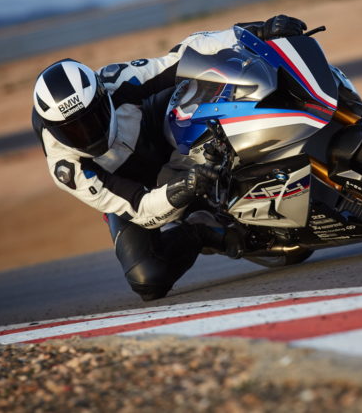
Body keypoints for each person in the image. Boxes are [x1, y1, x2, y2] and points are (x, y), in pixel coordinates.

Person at [31, 15, 307, 300]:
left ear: (103, 96)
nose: (88, 134)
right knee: (147, 278)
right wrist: (186, 187)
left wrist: (256, 31)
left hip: (158, 129)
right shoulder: (67, 167)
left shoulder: (115, 81)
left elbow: (184, 55)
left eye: (92, 119)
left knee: (208, 79)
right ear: (54, 130)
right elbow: (141, 209)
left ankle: (275, 141)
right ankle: (201, 229)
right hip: (132, 188)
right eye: (73, 131)